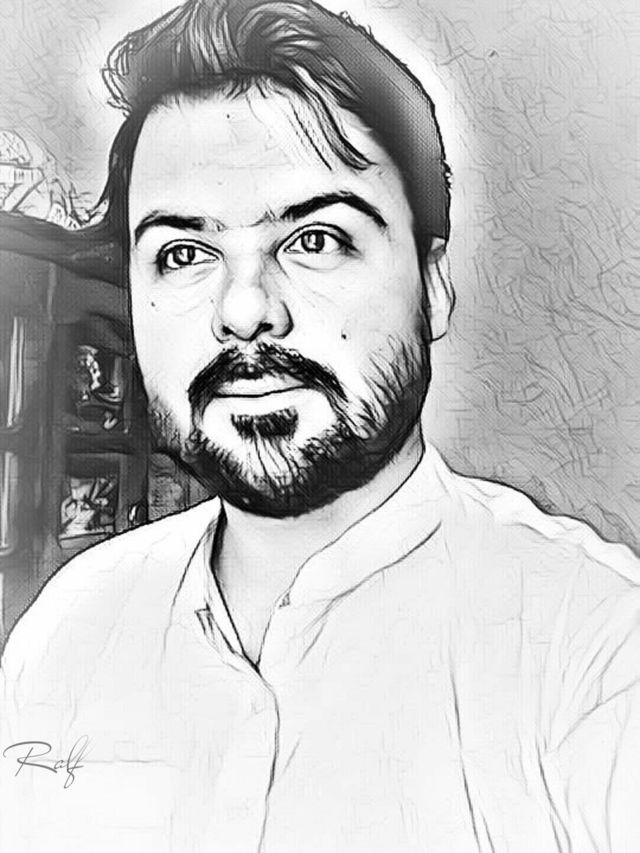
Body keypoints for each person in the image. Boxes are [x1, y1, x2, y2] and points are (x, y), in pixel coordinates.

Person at [2, 0, 640, 850]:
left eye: (315, 240)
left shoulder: (597, 653)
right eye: (183, 254)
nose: (244, 311)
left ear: (433, 286)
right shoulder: (69, 629)